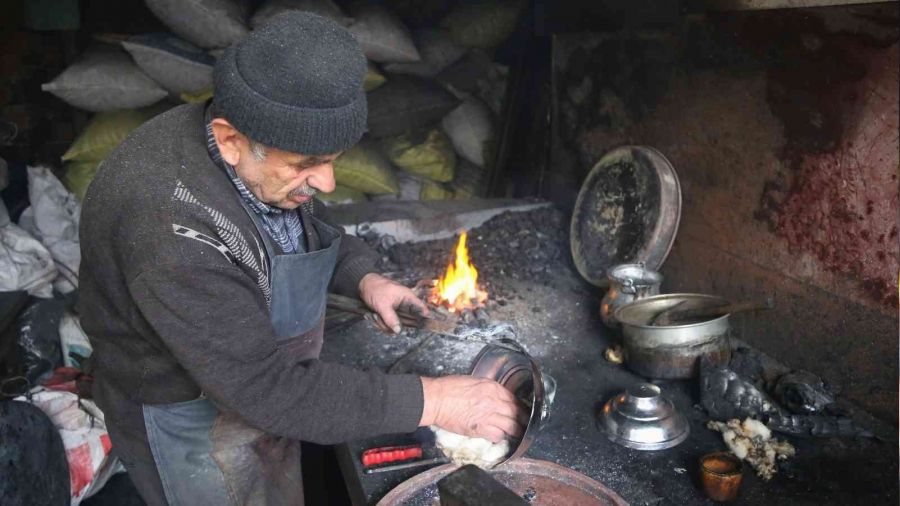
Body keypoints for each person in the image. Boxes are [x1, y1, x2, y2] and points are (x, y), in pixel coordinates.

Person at [78, 12, 523, 506]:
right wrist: (436, 400)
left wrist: (363, 277)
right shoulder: (171, 233)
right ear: (230, 141)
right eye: (308, 165)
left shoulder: (260, 157)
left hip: (261, 389)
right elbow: (269, 392)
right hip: (194, 419)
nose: (327, 183)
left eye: (331, 160)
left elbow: (297, 223)